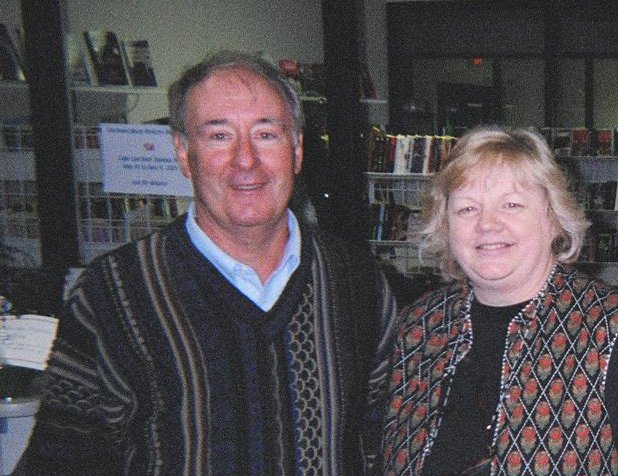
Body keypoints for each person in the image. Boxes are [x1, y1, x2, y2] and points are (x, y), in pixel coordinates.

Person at [24, 50, 397, 475]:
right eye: (219, 136)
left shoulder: (359, 285)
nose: (245, 160)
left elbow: (381, 451)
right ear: (183, 153)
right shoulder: (112, 295)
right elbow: (58, 464)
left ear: (296, 150)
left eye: (266, 134)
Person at [379, 126, 618, 475]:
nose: (487, 224)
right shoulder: (421, 326)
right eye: (466, 209)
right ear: (445, 224)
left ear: (554, 217)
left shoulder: (617, 332)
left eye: (511, 205)